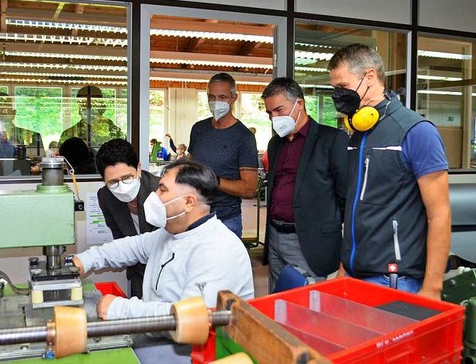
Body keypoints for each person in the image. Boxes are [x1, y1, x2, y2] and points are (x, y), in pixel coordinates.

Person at [328, 43, 451, 300]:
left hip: (394, 281)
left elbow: (439, 214)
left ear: (370, 77)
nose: (338, 95)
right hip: (355, 274)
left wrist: (432, 288)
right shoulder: (359, 132)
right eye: (335, 89)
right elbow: (355, 206)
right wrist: (344, 266)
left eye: (343, 87)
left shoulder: (416, 131)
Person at [73, 160, 254, 319]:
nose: (155, 196)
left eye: (162, 190)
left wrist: (121, 309)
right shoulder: (171, 233)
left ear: (189, 202)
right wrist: (85, 260)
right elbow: (131, 247)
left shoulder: (218, 249)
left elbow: (191, 318)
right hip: (159, 337)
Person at [261, 77, 348, 292]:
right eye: (270, 113)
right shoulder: (274, 144)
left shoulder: (332, 139)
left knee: (307, 304)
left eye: (279, 110)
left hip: (308, 239)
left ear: (300, 104)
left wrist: (345, 252)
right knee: (277, 300)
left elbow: (345, 195)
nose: (274, 117)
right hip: (275, 237)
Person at [188, 72, 258, 238]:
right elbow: (191, 165)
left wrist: (213, 180)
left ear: (234, 98)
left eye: (222, 97)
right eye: (211, 97)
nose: (216, 103)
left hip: (226, 220)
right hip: (194, 216)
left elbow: (249, 189)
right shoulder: (198, 129)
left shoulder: (244, 137)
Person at [94, 138, 160, 298]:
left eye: (127, 178)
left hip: (168, 271)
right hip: (138, 272)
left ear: (138, 169)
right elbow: (121, 242)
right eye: (113, 182)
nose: (122, 186)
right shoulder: (105, 197)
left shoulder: (159, 190)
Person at [59, 85, 124, 149]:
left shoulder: (115, 132)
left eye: (93, 104)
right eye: (83, 104)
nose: (88, 108)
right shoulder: (69, 134)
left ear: (102, 106)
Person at [0, 92, 45, 157]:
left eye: (5, 110)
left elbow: (37, 162)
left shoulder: (33, 137)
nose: (0, 114)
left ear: (14, 113)